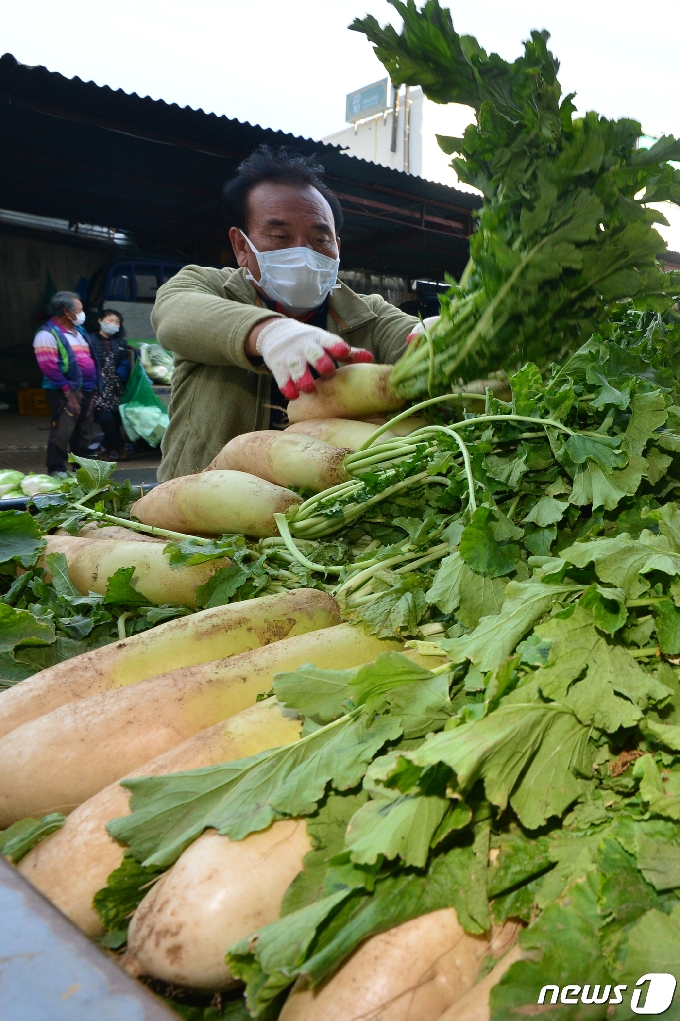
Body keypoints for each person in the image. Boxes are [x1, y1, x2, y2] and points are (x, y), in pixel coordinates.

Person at [152, 145, 422, 482]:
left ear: (338, 246)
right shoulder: (209, 286)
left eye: (320, 238)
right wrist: (268, 333)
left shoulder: (369, 313)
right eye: (280, 235)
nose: (303, 251)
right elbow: (173, 313)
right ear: (241, 246)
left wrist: (437, 336)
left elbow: (413, 339)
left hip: (326, 508)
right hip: (195, 503)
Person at [33, 291, 100, 474]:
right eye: (79, 310)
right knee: (63, 430)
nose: (82, 313)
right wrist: (67, 389)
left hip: (87, 389)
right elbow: (49, 367)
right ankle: (56, 468)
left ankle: (82, 469)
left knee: (84, 432)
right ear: (66, 312)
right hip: (65, 392)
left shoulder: (79, 331)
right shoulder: (46, 335)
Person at [88, 309, 130, 459]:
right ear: (100, 320)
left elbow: (125, 363)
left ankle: (105, 448)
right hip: (97, 387)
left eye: (117, 322)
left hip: (116, 388)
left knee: (115, 420)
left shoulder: (120, 343)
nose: (114, 324)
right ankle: (119, 445)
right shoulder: (90, 339)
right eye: (111, 320)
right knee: (105, 418)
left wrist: (119, 375)